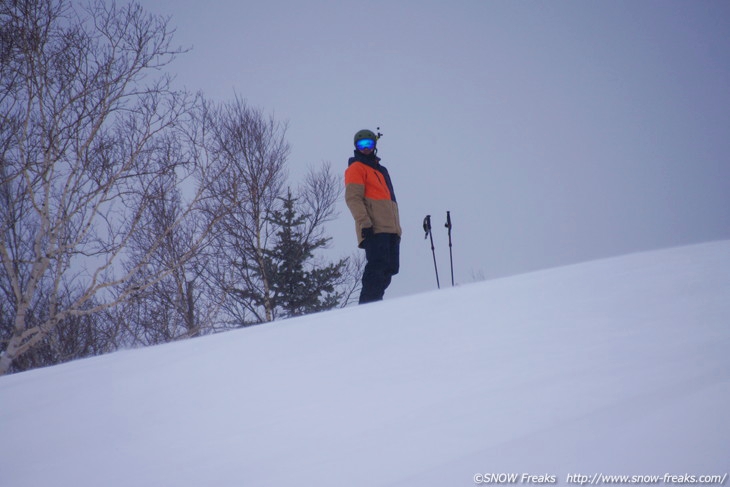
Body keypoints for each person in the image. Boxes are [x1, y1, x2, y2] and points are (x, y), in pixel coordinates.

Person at [344, 129, 402, 304]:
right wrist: (364, 223)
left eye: (369, 144)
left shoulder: (381, 170)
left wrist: (397, 228)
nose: (365, 148)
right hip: (374, 227)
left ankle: (376, 304)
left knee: (390, 268)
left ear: (374, 145)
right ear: (356, 147)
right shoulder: (356, 168)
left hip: (391, 228)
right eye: (361, 145)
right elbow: (353, 198)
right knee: (377, 267)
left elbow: (389, 200)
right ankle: (367, 307)